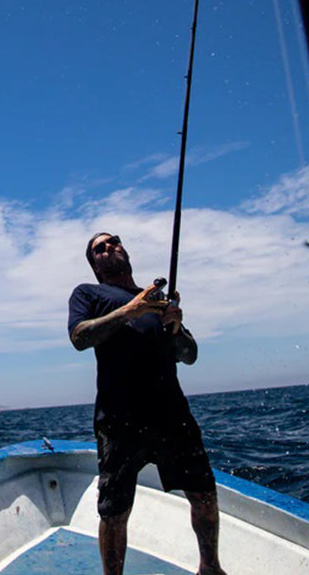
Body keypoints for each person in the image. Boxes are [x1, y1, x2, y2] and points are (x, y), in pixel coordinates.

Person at [68, 231, 227, 575]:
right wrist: (130, 310)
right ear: (95, 264)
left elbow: (190, 356)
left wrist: (176, 326)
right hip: (119, 418)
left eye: (115, 241)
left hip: (172, 413)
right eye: (101, 247)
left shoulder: (158, 302)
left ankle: (210, 568)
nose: (111, 247)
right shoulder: (89, 293)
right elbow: (80, 337)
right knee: (114, 511)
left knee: (204, 494)